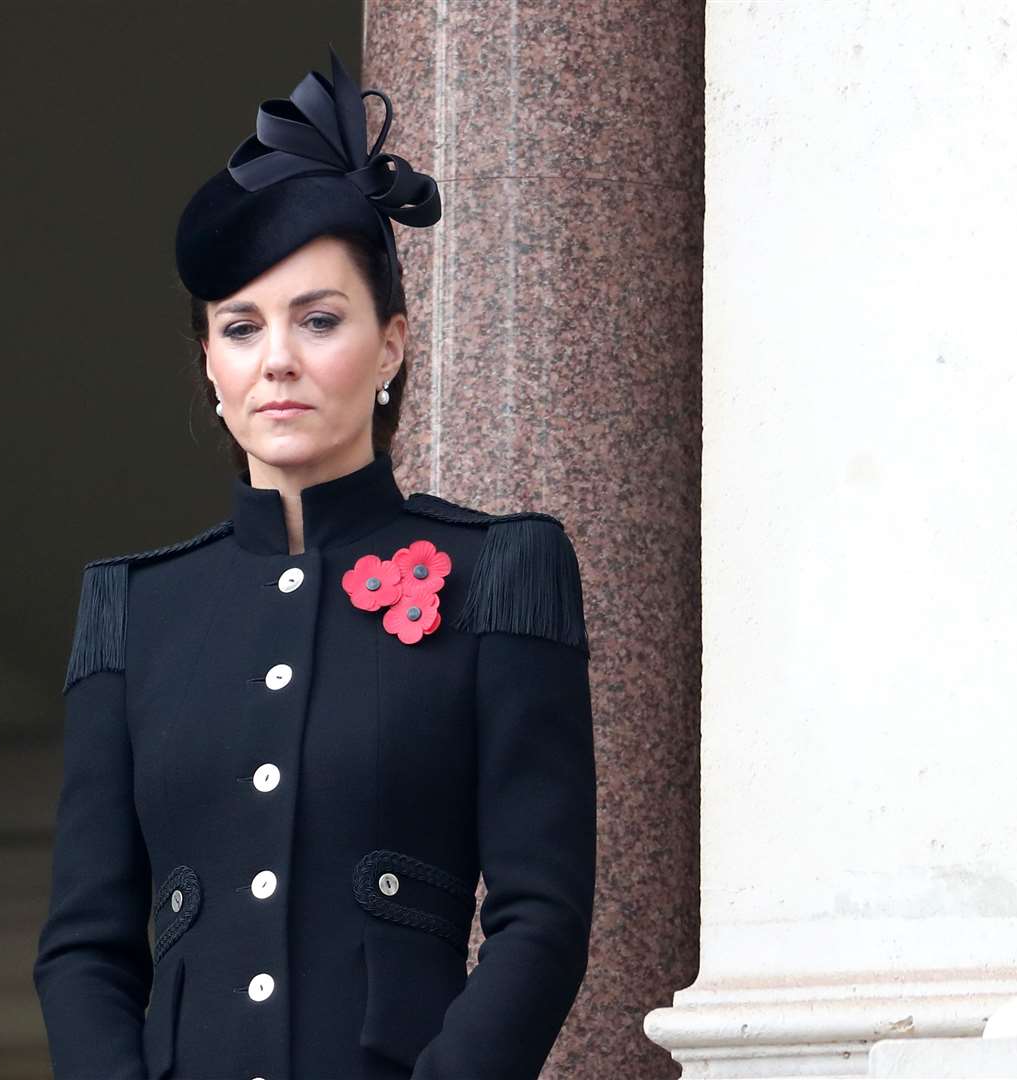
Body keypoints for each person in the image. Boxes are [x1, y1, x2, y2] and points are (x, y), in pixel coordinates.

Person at [32, 45, 597, 1080]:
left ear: (388, 348)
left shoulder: (501, 574)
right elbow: (83, 950)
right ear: (208, 361)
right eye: (240, 328)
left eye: (318, 320)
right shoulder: (135, 612)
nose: (277, 359)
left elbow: (541, 916)